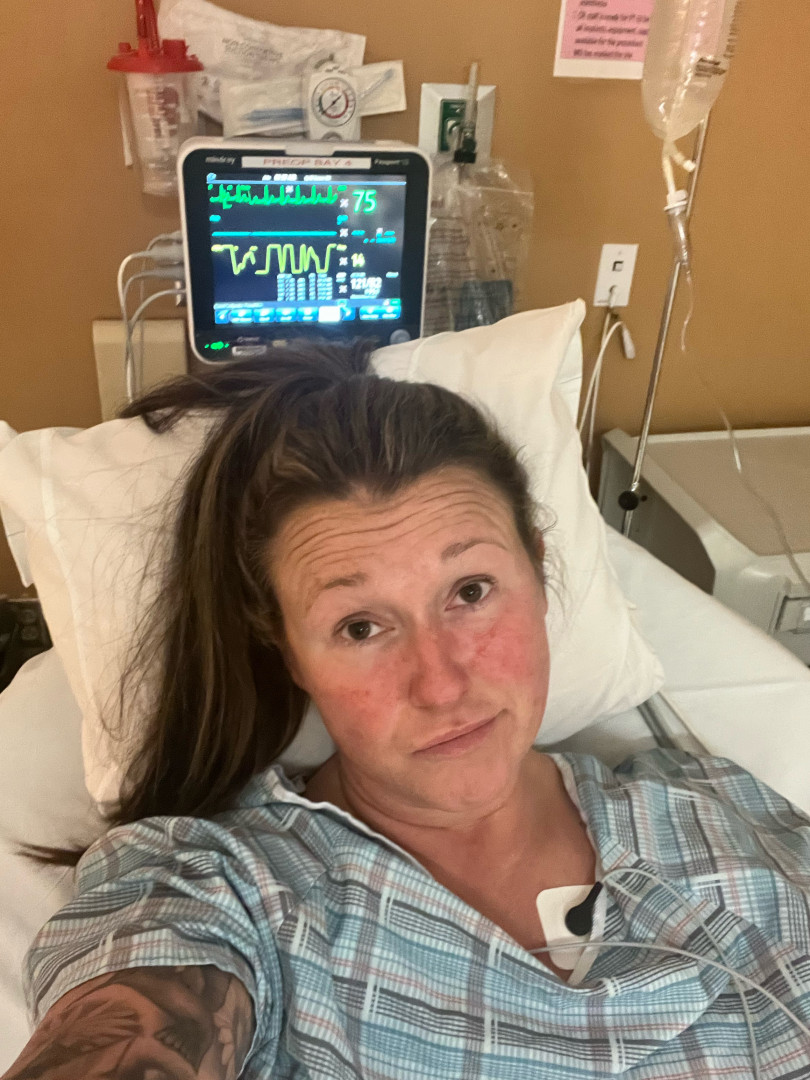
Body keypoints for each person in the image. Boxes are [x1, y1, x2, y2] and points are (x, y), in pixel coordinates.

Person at [5, 342, 810, 1080]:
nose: (442, 683)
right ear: (288, 651)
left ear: (537, 572)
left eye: (471, 591)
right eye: (360, 627)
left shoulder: (719, 813)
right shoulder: (224, 888)